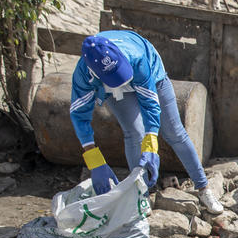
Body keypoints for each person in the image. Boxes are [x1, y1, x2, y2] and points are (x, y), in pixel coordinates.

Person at [70, 31, 222, 214]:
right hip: (112, 89)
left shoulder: (137, 57)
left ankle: (203, 188)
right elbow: (79, 116)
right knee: (134, 133)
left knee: (174, 131)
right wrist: (94, 161)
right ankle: (140, 195)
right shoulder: (83, 75)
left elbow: (150, 104)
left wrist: (151, 145)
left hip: (148, 74)